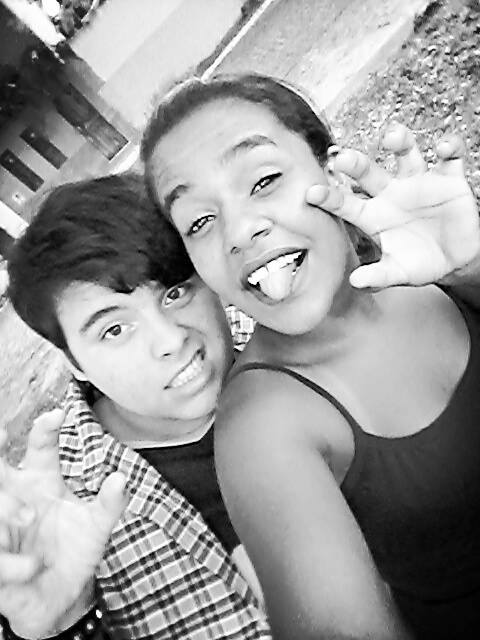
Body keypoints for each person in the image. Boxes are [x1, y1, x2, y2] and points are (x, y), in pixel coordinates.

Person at [140, 73, 480, 640]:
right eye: (199, 221)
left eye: (264, 180)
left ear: (331, 169)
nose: (239, 231)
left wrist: (470, 267)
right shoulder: (262, 425)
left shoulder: (435, 269)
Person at [0, 173, 269, 640]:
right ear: (75, 363)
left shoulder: (293, 335)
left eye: (174, 292)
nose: (171, 340)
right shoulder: (60, 512)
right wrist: (65, 625)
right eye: (114, 330)